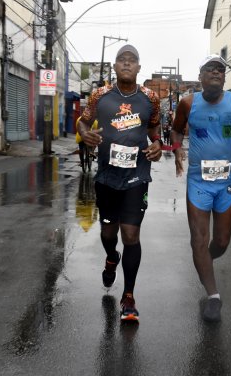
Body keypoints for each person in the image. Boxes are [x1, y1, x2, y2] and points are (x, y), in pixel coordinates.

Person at [77, 44, 162, 322]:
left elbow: (154, 130)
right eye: (121, 60)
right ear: (114, 67)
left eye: (132, 60)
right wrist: (85, 134)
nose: (126, 63)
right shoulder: (100, 96)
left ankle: (128, 297)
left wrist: (157, 145)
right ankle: (111, 257)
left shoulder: (150, 98)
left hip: (137, 176)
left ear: (139, 68)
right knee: (109, 234)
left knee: (131, 236)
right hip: (106, 177)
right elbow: (83, 122)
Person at [171, 54, 231, 322]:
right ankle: (213, 297)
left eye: (220, 70)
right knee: (198, 239)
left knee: (220, 242)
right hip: (199, 181)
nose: (216, 73)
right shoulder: (188, 103)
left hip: (227, 183)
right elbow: (176, 131)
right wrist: (177, 151)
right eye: (210, 69)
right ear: (199, 77)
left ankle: (204, 259)